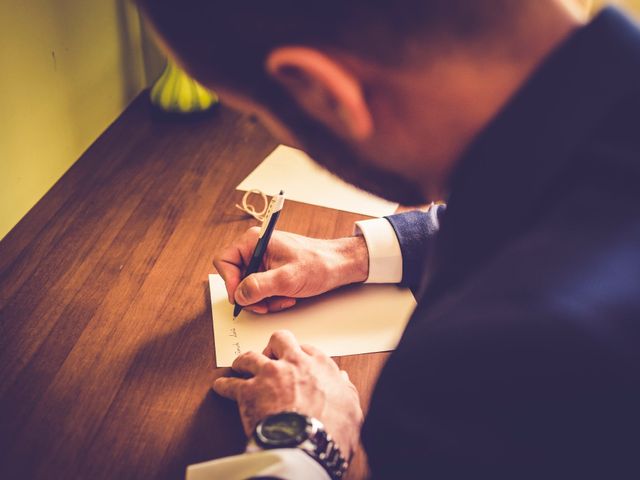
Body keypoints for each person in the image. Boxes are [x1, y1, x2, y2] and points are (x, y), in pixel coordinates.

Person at [137, 1, 640, 478]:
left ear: (322, 93)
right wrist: (354, 255)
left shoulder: (484, 372)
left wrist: (305, 445)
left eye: (255, 117)